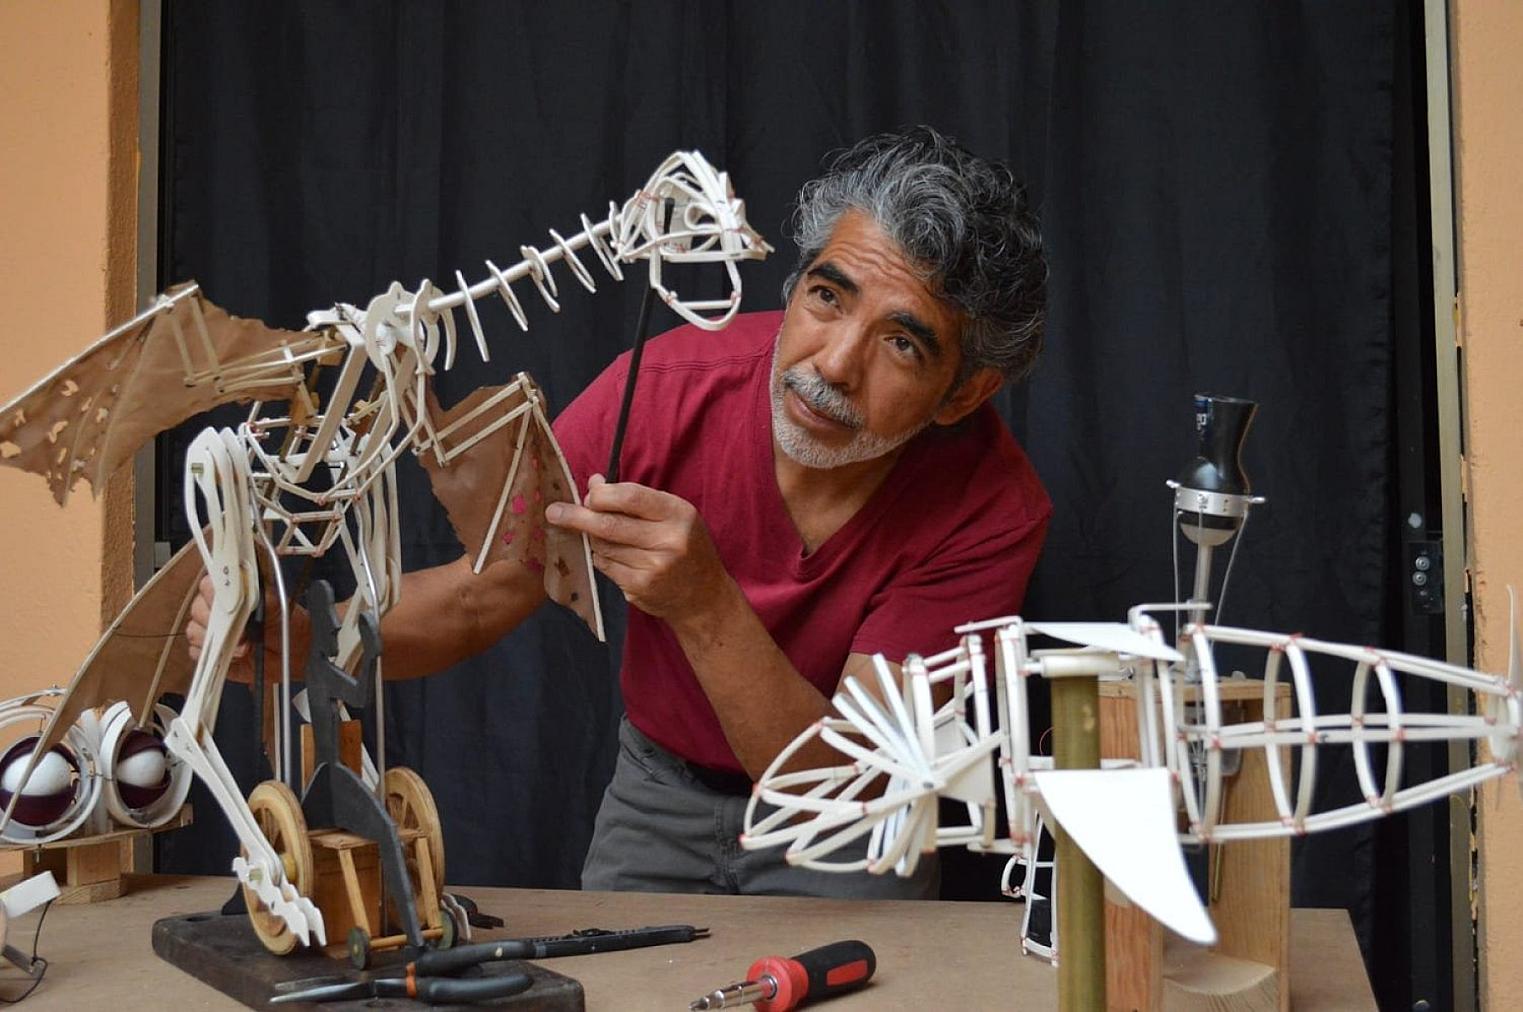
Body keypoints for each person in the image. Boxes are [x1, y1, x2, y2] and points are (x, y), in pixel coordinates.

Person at [189, 125, 1051, 899]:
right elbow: (482, 593)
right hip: (658, 797)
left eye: (901, 342)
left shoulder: (989, 510)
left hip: (850, 828)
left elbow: (840, 789)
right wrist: (305, 642)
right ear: (794, 288)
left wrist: (704, 603)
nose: (833, 364)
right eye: (827, 298)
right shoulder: (666, 388)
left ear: (964, 392)